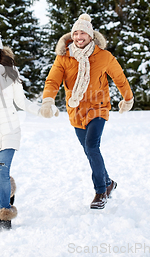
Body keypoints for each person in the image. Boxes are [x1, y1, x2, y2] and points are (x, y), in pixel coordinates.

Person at [40, 14, 134, 209]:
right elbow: (53, 80)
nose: (79, 36)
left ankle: (101, 192)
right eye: (75, 33)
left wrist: (128, 98)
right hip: (76, 110)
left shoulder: (103, 56)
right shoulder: (64, 57)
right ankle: (108, 182)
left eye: (83, 32)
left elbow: (119, 77)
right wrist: (48, 100)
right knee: (89, 151)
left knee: (92, 147)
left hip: (98, 107)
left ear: (91, 36)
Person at [0, 30, 52, 230]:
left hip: (10, 129)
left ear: (0, 50)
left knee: (2, 172)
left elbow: (21, 101)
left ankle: (4, 214)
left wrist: (41, 110)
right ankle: (9, 191)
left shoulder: (11, 73)